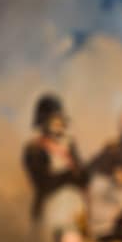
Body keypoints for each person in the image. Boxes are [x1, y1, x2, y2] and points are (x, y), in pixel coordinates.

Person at [21, 93, 88, 230]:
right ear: (44, 122)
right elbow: (43, 184)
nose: (59, 123)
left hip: (74, 208)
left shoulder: (69, 144)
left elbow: (82, 177)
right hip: (51, 210)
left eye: (60, 119)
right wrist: (69, 175)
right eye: (54, 119)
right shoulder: (34, 148)